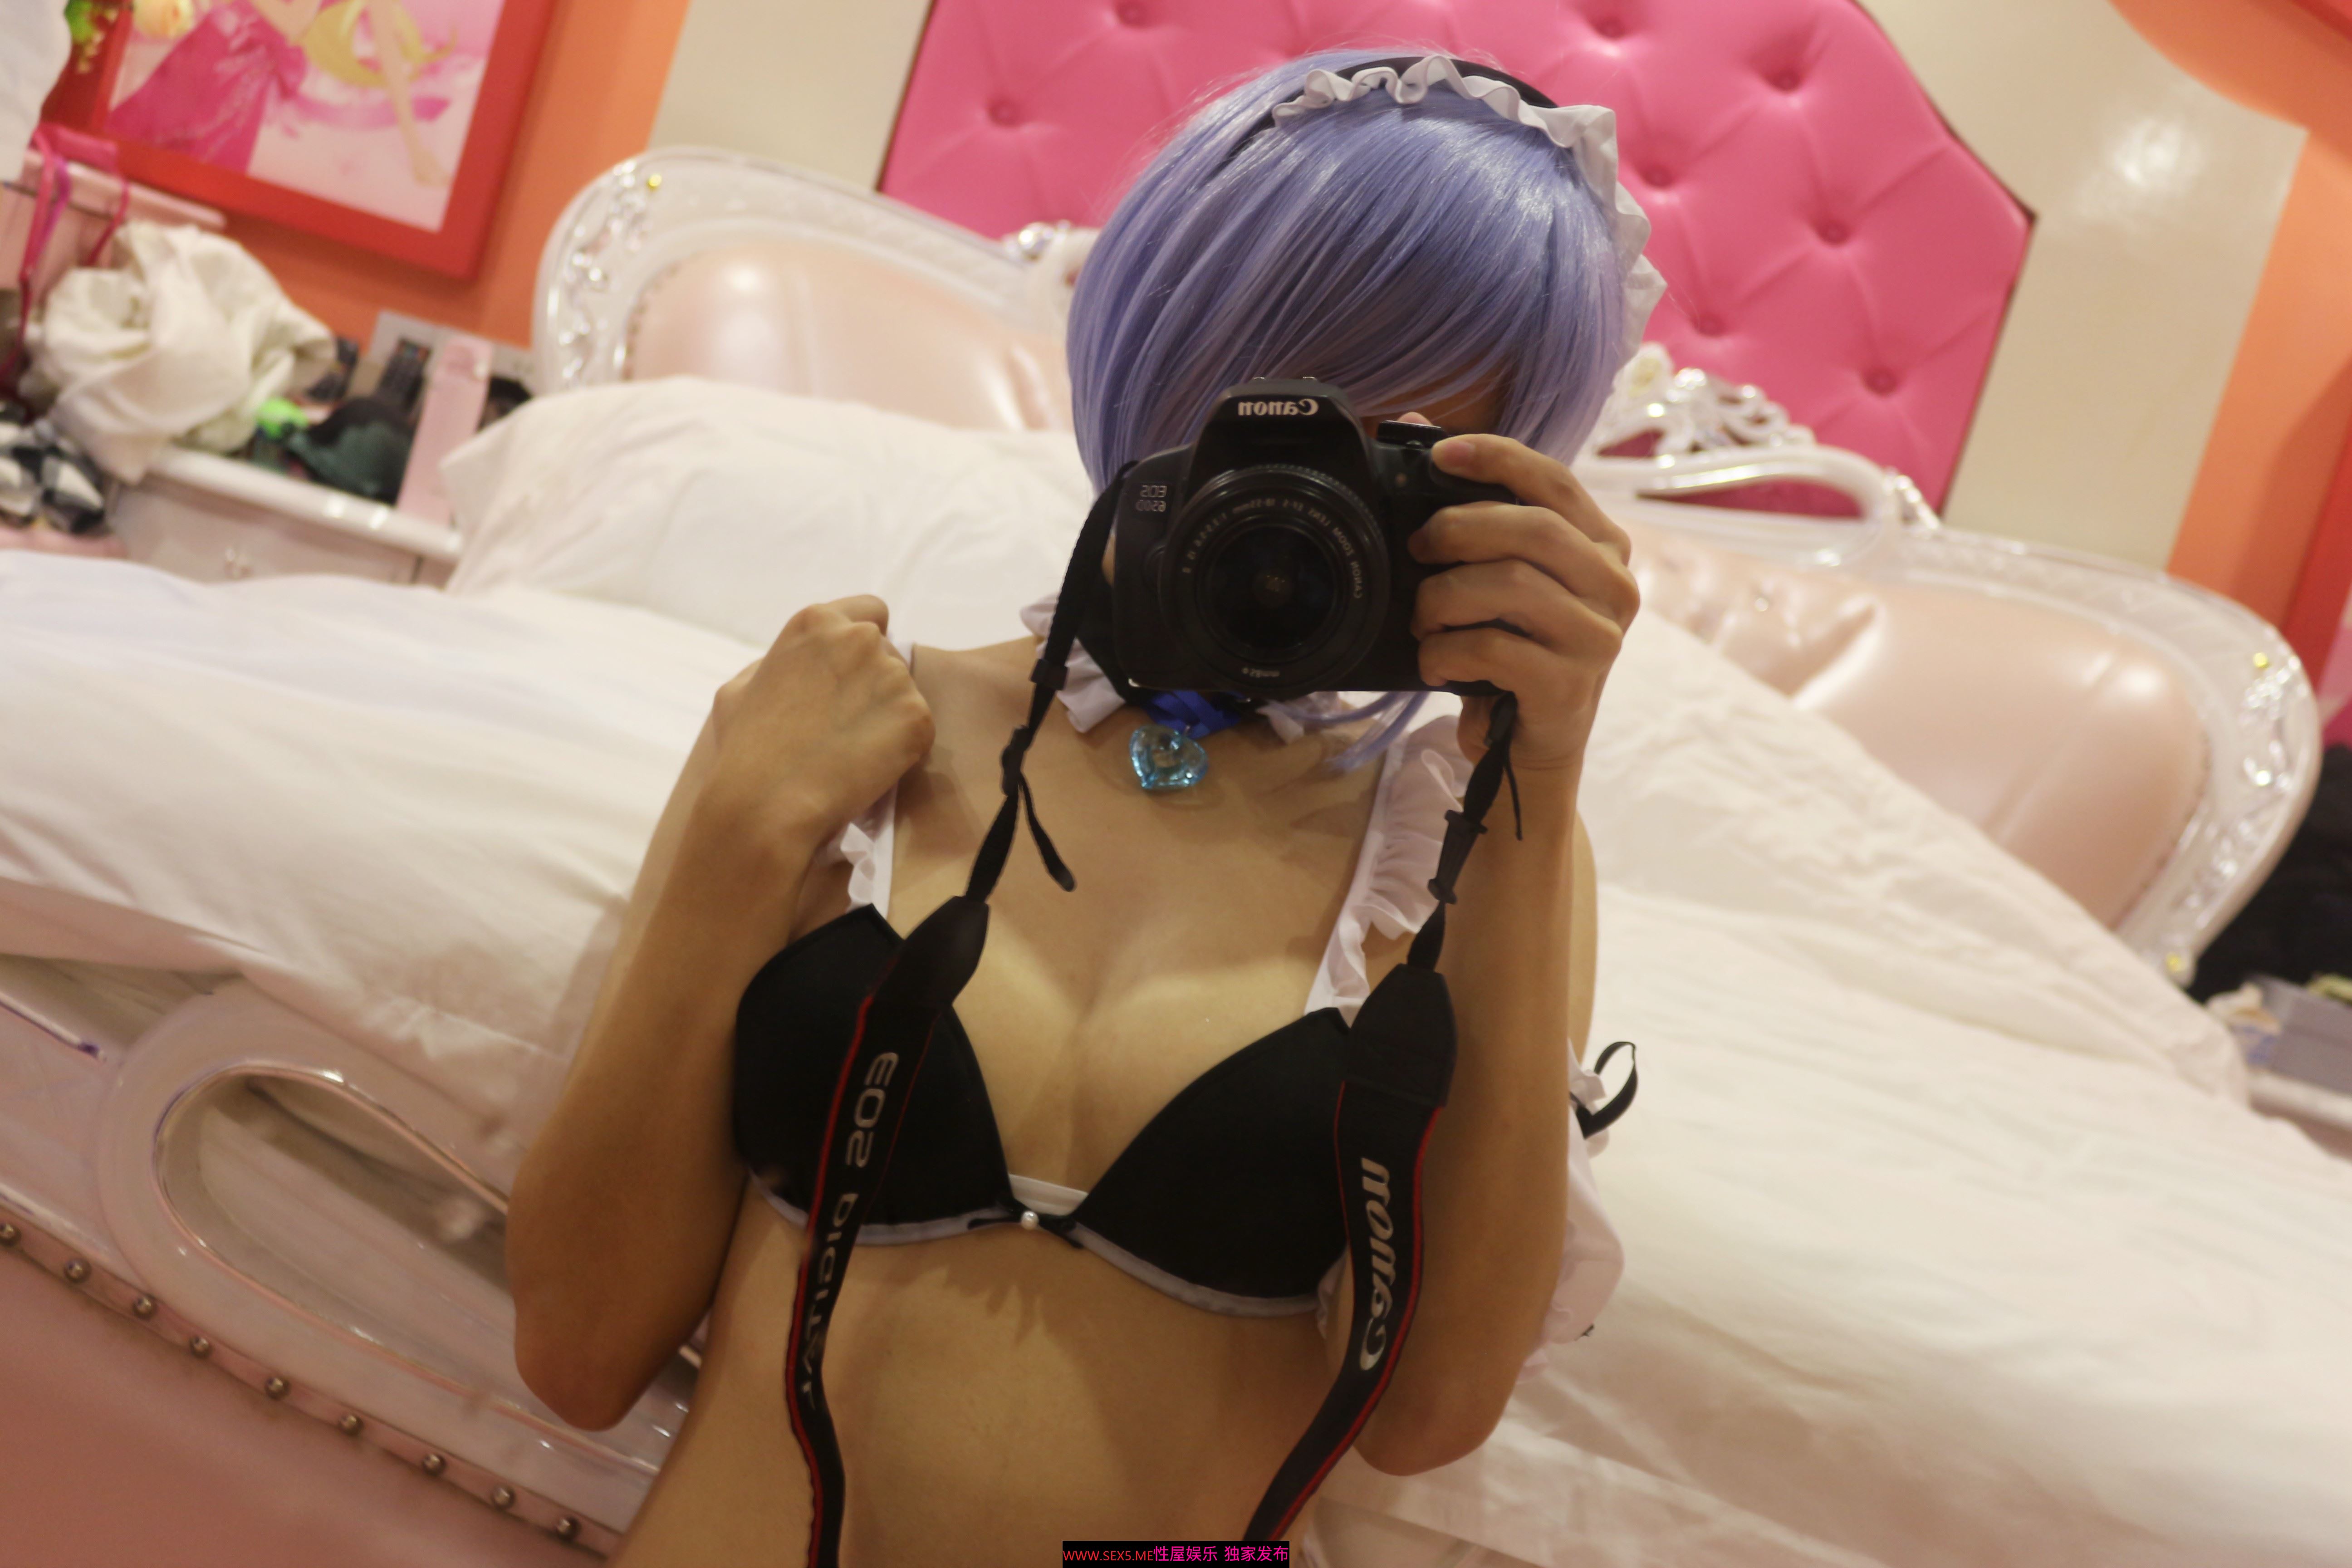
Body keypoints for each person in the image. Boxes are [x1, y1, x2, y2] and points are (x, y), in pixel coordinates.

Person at [506, 49, 1661, 1565]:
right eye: (1286, 399)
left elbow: (1429, 1408)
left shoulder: (1477, 852)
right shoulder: (840, 731)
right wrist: (738, 837)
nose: (1303, 498)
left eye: (1390, 461)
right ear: (1170, 341)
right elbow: (578, 1351)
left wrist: (1537, 779)